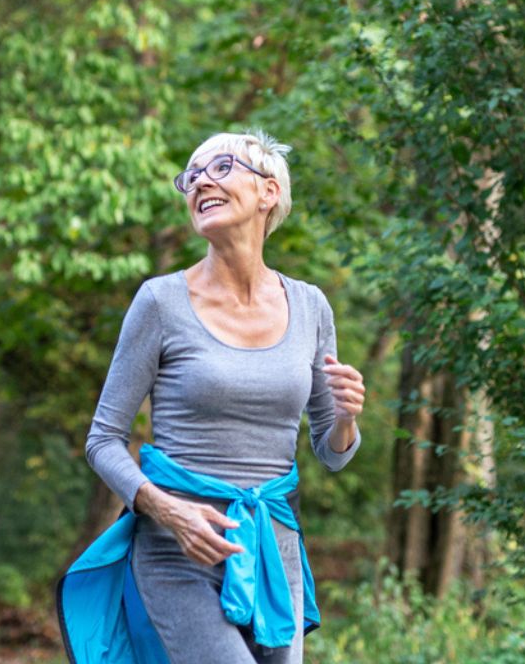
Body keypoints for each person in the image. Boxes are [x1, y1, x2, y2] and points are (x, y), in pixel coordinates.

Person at [58, 131, 365, 664]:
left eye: (220, 166)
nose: (199, 180)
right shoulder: (160, 301)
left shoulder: (312, 307)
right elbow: (102, 440)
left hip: (275, 550)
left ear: (268, 192)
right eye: (191, 174)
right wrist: (169, 511)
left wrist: (345, 418)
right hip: (178, 551)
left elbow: (332, 453)